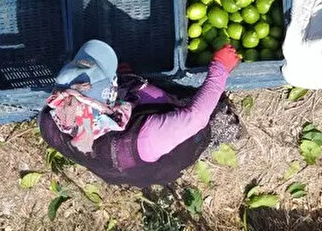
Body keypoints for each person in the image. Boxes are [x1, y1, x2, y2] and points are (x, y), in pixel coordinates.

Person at [38, 39, 242, 187]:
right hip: (148, 157)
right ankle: (218, 134)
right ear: (107, 102)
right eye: (111, 83)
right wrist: (219, 69)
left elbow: (90, 104)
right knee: (209, 122)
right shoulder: (146, 137)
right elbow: (196, 117)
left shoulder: (50, 118)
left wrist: (123, 80)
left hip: (109, 164)